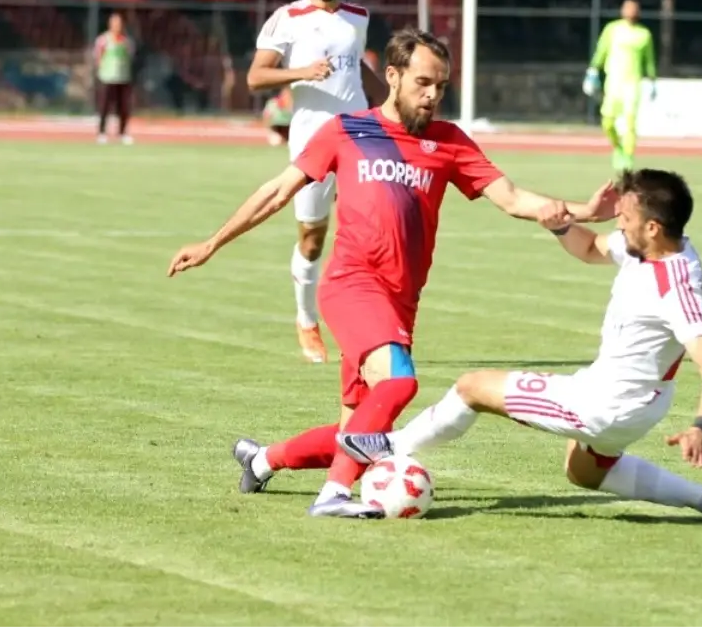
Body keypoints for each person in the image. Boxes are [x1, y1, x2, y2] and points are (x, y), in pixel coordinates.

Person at [167, 27, 615, 519]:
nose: (433, 95)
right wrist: (212, 242)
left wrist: (584, 212)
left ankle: (263, 459)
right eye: (423, 82)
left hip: (402, 300)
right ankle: (332, 497)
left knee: (354, 435)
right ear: (393, 76)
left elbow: (511, 198)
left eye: (441, 86)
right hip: (351, 285)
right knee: (400, 384)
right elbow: (278, 190)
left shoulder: (449, 142)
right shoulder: (347, 130)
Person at [337, 168, 702, 523]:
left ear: (653, 228)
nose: (618, 222)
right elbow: (590, 247)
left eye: (626, 217)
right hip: (625, 398)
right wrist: (561, 224)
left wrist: (700, 427)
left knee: (472, 387)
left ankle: (391, 446)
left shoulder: (676, 285)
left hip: (607, 404)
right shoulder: (645, 248)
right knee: (584, 471)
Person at [246, 0, 390, 365]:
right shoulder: (287, 18)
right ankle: (306, 319)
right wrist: (303, 72)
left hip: (360, 138)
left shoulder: (358, 18)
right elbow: (256, 77)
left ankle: (368, 325)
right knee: (311, 239)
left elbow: (357, 71)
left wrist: (391, 103)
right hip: (312, 140)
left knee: (374, 231)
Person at [582, 0, 657, 173]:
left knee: (630, 124)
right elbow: (601, 50)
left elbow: (650, 60)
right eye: (627, 7)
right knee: (607, 121)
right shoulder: (612, 29)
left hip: (633, 84)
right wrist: (593, 70)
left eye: (633, 8)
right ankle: (617, 148)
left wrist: (652, 80)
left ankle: (628, 158)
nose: (630, 11)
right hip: (614, 83)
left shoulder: (644, 34)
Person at [93, 11, 137, 144]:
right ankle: (101, 133)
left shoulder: (126, 41)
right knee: (104, 106)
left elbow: (130, 56)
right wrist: (101, 70)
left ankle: (123, 133)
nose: (117, 25)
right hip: (107, 78)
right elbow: (98, 57)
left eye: (119, 23)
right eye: (114, 22)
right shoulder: (103, 40)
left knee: (123, 107)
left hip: (123, 78)